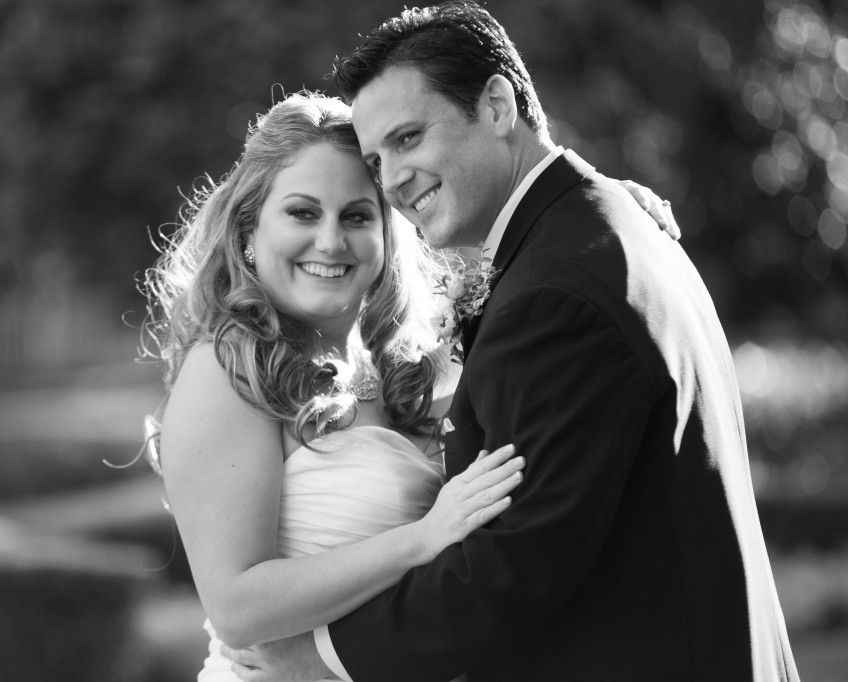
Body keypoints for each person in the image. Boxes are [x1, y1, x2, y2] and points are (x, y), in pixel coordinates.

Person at [219, 2, 799, 682]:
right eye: (376, 161)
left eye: (409, 139)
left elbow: (513, 564)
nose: (393, 179)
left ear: (496, 105)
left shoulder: (559, 285)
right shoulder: (606, 227)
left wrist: (321, 661)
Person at [144, 90, 678, 681]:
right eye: (302, 212)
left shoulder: (399, 368)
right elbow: (238, 606)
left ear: (387, 232)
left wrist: (600, 214)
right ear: (249, 227)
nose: (330, 241)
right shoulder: (228, 369)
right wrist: (421, 540)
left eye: (356, 216)